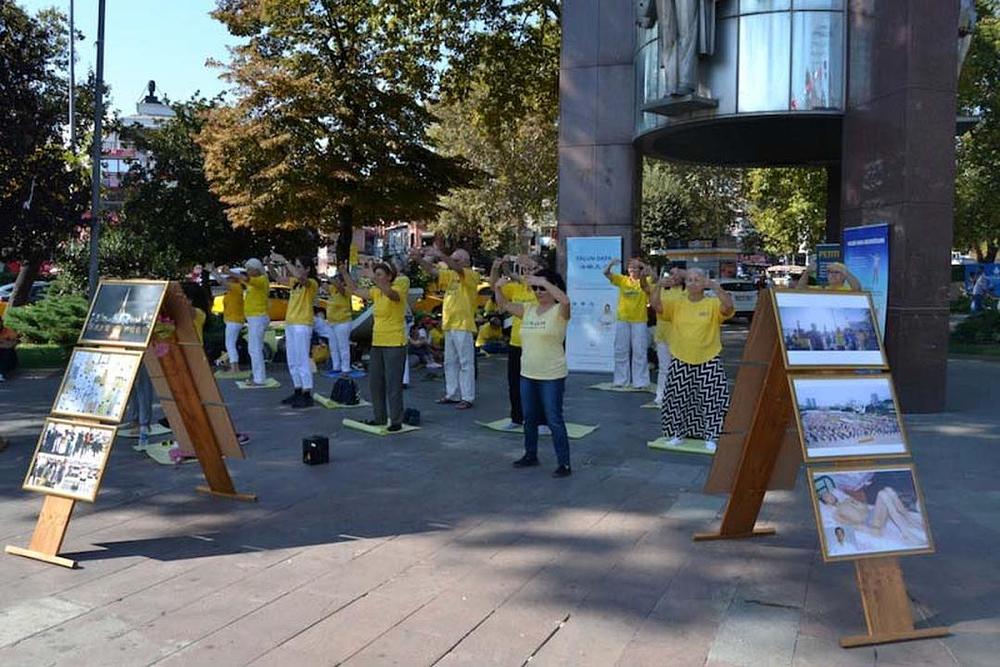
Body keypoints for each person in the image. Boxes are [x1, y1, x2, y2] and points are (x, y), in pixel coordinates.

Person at [495, 268, 573, 477]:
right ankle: (531, 454)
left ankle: (564, 463)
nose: (538, 291)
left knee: (553, 418)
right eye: (535, 288)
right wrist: (497, 288)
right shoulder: (528, 308)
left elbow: (565, 301)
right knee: (529, 418)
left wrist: (542, 280)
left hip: (552, 375)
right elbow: (503, 305)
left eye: (542, 288)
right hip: (528, 373)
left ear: (553, 287)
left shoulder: (559, 311)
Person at [651, 268, 734, 451]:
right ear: (685, 283)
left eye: (697, 279)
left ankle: (712, 435)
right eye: (689, 279)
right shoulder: (677, 303)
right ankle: (676, 434)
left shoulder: (712, 303)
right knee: (676, 399)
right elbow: (656, 306)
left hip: (708, 357)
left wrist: (716, 287)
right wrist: (657, 286)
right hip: (681, 356)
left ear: (704, 282)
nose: (693, 282)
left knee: (713, 399)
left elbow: (728, 308)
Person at [341, 261, 410, 431]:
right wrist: (344, 273)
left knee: (393, 384)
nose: (376, 278)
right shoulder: (376, 292)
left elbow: (391, 294)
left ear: (388, 276)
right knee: (375, 383)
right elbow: (356, 291)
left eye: (380, 274)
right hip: (378, 342)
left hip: (395, 343)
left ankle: (396, 420)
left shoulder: (398, 288)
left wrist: (374, 278)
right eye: (376, 274)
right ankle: (379, 417)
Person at [410, 246, 480, 409]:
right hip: (449, 324)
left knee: (465, 363)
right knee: (450, 362)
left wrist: (440, 254)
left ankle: (467, 397)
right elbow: (432, 271)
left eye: (456, 259)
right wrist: (419, 259)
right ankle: (452, 394)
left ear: (466, 262)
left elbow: (456, 268)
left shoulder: (471, 275)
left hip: (463, 324)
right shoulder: (451, 275)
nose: (452, 262)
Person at [490, 254, 538, 429]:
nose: (526, 272)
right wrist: (497, 269)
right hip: (516, 342)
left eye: (530, 269)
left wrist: (526, 267)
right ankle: (516, 418)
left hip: (536, 344)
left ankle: (541, 420)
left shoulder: (543, 288)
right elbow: (496, 290)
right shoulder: (517, 288)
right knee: (514, 383)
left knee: (536, 383)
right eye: (524, 269)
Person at [603, 258, 651, 389]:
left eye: (635, 267)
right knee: (621, 349)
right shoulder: (623, 280)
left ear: (640, 269)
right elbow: (606, 273)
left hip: (639, 320)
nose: (633, 270)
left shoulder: (646, 280)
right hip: (623, 319)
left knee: (639, 351)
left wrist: (642, 264)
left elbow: (654, 274)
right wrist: (611, 263)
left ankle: (640, 382)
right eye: (630, 267)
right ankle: (621, 380)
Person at [223, 259, 271, 385]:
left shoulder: (261, 280)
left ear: (256, 269)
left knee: (255, 349)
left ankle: (259, 379)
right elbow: (246, 280)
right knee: (254, 348)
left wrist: (230, 273)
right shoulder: (255, 282)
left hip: (258, 317)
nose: (248, 272)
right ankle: (258, 377)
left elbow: (246, 279)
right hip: (254, 318)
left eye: (250, 269)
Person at [644, 266, 686, 407]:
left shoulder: (687, 290)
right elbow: (654, 304)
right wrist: (659, 286)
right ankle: (660, 396)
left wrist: (684, 274)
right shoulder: (661, 288)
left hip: (681, 334)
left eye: (676, 274)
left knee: (681, 369)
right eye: (671, 274)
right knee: (664, 368)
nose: (673, 277)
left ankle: (679, 398)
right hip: (663, 333)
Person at [281, 256, 319, 408]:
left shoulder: (312, 283)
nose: (296, 269)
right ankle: (297, 389)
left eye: (299, 266)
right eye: (295, 266)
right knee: (292, 359)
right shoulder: (294, 283)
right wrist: (270, 263)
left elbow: (301, 278)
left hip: (303, 324)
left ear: (307, 269)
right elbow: (278, 277)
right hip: (291, 323)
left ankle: (307, 392)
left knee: (302, 359)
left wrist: (285, 261)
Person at [325, 273, 353, 375]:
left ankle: (345, 368)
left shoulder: (346, 290)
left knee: (343, 345)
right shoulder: (333, 289)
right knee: (333, 346)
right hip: (332, 322)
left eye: (337, 280)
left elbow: (340, 288)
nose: (334, 282)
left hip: (343, 321)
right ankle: (336, 366)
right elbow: (325, 287)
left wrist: (328, 277)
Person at [222, 272, 245, 373]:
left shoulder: (235, 287)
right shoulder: (234, 289)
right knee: (231, 343)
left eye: (228, 278)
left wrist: (213, 271)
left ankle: (234, 367)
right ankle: (234, 366)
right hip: (234, 320)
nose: (226, 280)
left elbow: (221, 282)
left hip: (233, 320)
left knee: (230, 344)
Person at [796, 261, 861, 291]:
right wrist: (807, 272)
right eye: (830, 272)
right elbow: (800, 289)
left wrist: (845, 272)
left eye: (836, 272)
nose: (833, 275)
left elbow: (857, 289)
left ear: (844, 276)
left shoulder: (847, 290)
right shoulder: (821, 289)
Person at [0, 315, 19, 382]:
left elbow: (12, 344)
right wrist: (4, 342)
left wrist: (4, 343)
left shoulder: (9, 331)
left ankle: (1, 374)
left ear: (1, 322)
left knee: (6, 351)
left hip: (9, 356)